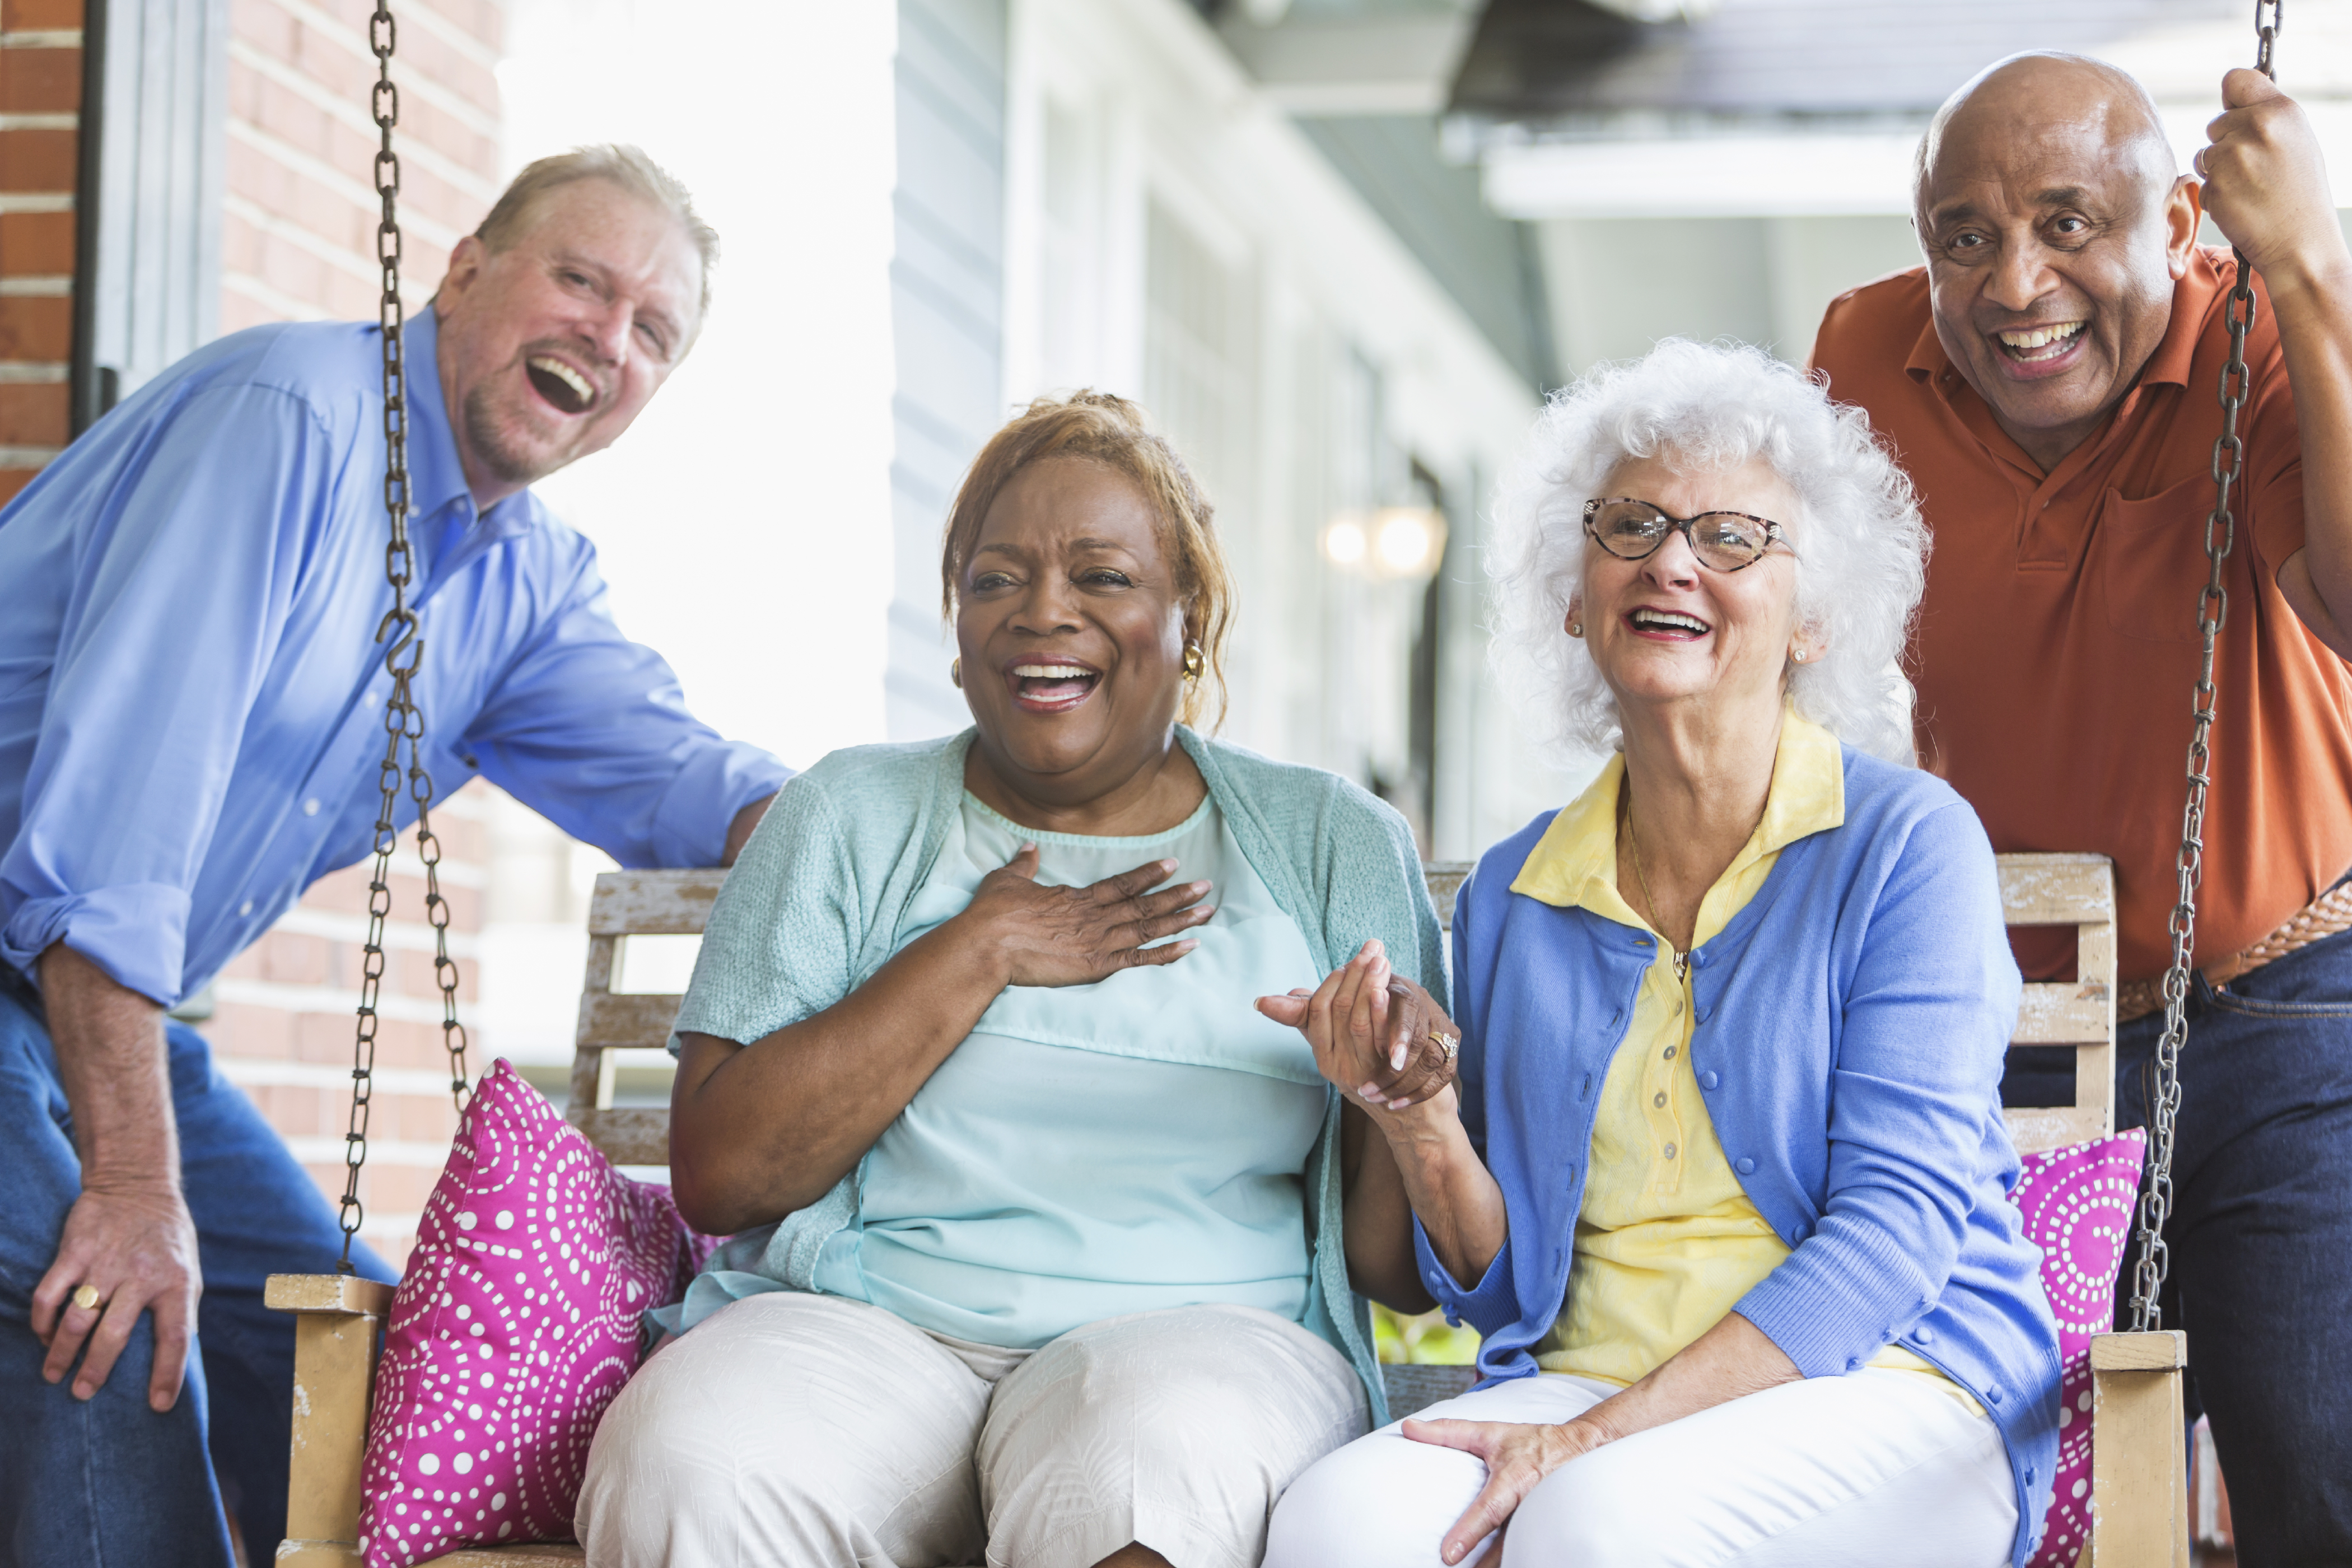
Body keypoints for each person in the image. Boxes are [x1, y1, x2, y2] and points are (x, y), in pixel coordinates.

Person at [0, 146, 791, 1566]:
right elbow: (105, 851)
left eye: (651, 329)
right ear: (464, 266)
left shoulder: (521, 578)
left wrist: (943, 834)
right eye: (578, 279)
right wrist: (132, 1187)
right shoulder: (286, 427)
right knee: (118, 1316)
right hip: (56, 969)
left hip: (86, 1008)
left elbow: (692, 781)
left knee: (352, 1361)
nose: (607, 338)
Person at [575, 390, 1455, 1568]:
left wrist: (1392, 1097)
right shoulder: (848, 814)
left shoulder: (1328, 842)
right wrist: (976, 948)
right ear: (955, 626)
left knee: (1147, 1474)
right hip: (870, 1327)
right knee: (694, 1462)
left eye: (1102, 576)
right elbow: (725, 1174)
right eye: (997, 580)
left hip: (1204, 1335)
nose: (1045, 612)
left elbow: (1392, 1271)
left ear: (1186, 620)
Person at [1258, 340, 2061, 1568]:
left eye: (1734, 536)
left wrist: (1597, 1439)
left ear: (1815, 617)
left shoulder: (1904, 846)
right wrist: (1414, 1116)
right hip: (1590, 1383)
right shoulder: (1521, 893)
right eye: (1631, 525)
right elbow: (1494, 1286)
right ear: (1575, 595)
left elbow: (1893, 1235)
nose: (1672, 559)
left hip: (1894, 1381)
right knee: (1338, 1525)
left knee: (1597, 1523)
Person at [1809, 52, 2352, 1563]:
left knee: (2319, 1475)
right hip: (2002, 1019)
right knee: (2008, 1491)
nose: (2014, 284)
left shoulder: (2257, 332)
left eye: (2070, 223)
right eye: (1964, 236)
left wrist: (2306, 262)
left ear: (2180, 220)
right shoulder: (1858, 357)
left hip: (2288, 1011)